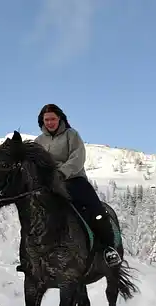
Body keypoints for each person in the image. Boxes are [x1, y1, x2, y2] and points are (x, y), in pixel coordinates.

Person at [29, 103, 122, 268]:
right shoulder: (38, 141)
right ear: (41, 121)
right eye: (46, 119)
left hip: (73, 179)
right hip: (48, 184)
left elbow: (77, 158)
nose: (50, 122)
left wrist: (61, 173)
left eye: (53, 119)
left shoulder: (71, 135)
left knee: (96, 210)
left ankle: (109, 248)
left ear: (60, 119)